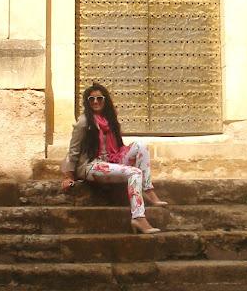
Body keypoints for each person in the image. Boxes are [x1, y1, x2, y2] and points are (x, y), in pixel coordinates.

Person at [61, 82, 167, 234]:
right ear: (87, 102)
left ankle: (148, 189)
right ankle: (138, 217)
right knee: (135, 172)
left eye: (99, 98)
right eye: (91, 99)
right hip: (92, 165)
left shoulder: (110, 120)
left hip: (112, 159)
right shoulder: (84, 122)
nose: (96, 102)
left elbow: (118, 147)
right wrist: (68, 176)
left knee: (141, 146)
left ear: (105, 100)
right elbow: (74, 150)